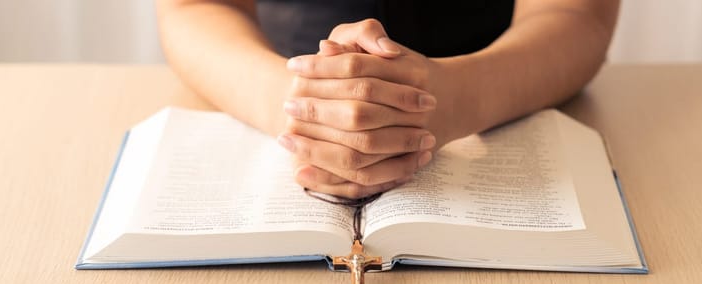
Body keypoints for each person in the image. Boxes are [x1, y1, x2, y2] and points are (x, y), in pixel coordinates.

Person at [157, 0, 619, 198]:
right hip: (262, 72)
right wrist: (296, 103)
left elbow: (574, 14)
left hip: (506, 87)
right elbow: (194, 8)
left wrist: (457, 98)